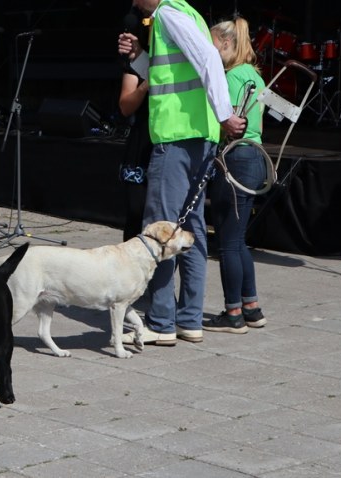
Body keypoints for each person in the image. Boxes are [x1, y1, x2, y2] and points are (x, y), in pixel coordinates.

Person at [118, 0, 246, 346]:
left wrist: (224, 114)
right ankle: (189, 320)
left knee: (160, 228)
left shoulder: (169, 15)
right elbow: (170, 74)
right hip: (196, 136)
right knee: (192, 231)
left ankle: (161, 322)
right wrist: (138, 57)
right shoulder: (180, 13)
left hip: (176, 139)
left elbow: (207, 59)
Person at [204, 17, 268, 333]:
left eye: (212, 45)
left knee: (228, 242)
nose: (209, 52)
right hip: (255, 156)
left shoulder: (228, 77)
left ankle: (233, 313)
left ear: (227, 44)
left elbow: (225, 120)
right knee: (238, 239)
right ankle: (251, 307)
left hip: (236, 158)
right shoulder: (253, 75)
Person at [118, 11, 152, 241]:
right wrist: (145, 86)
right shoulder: (137, 67)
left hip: (167, 141)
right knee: (136, 211)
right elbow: (125, 107)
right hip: (141, 142)